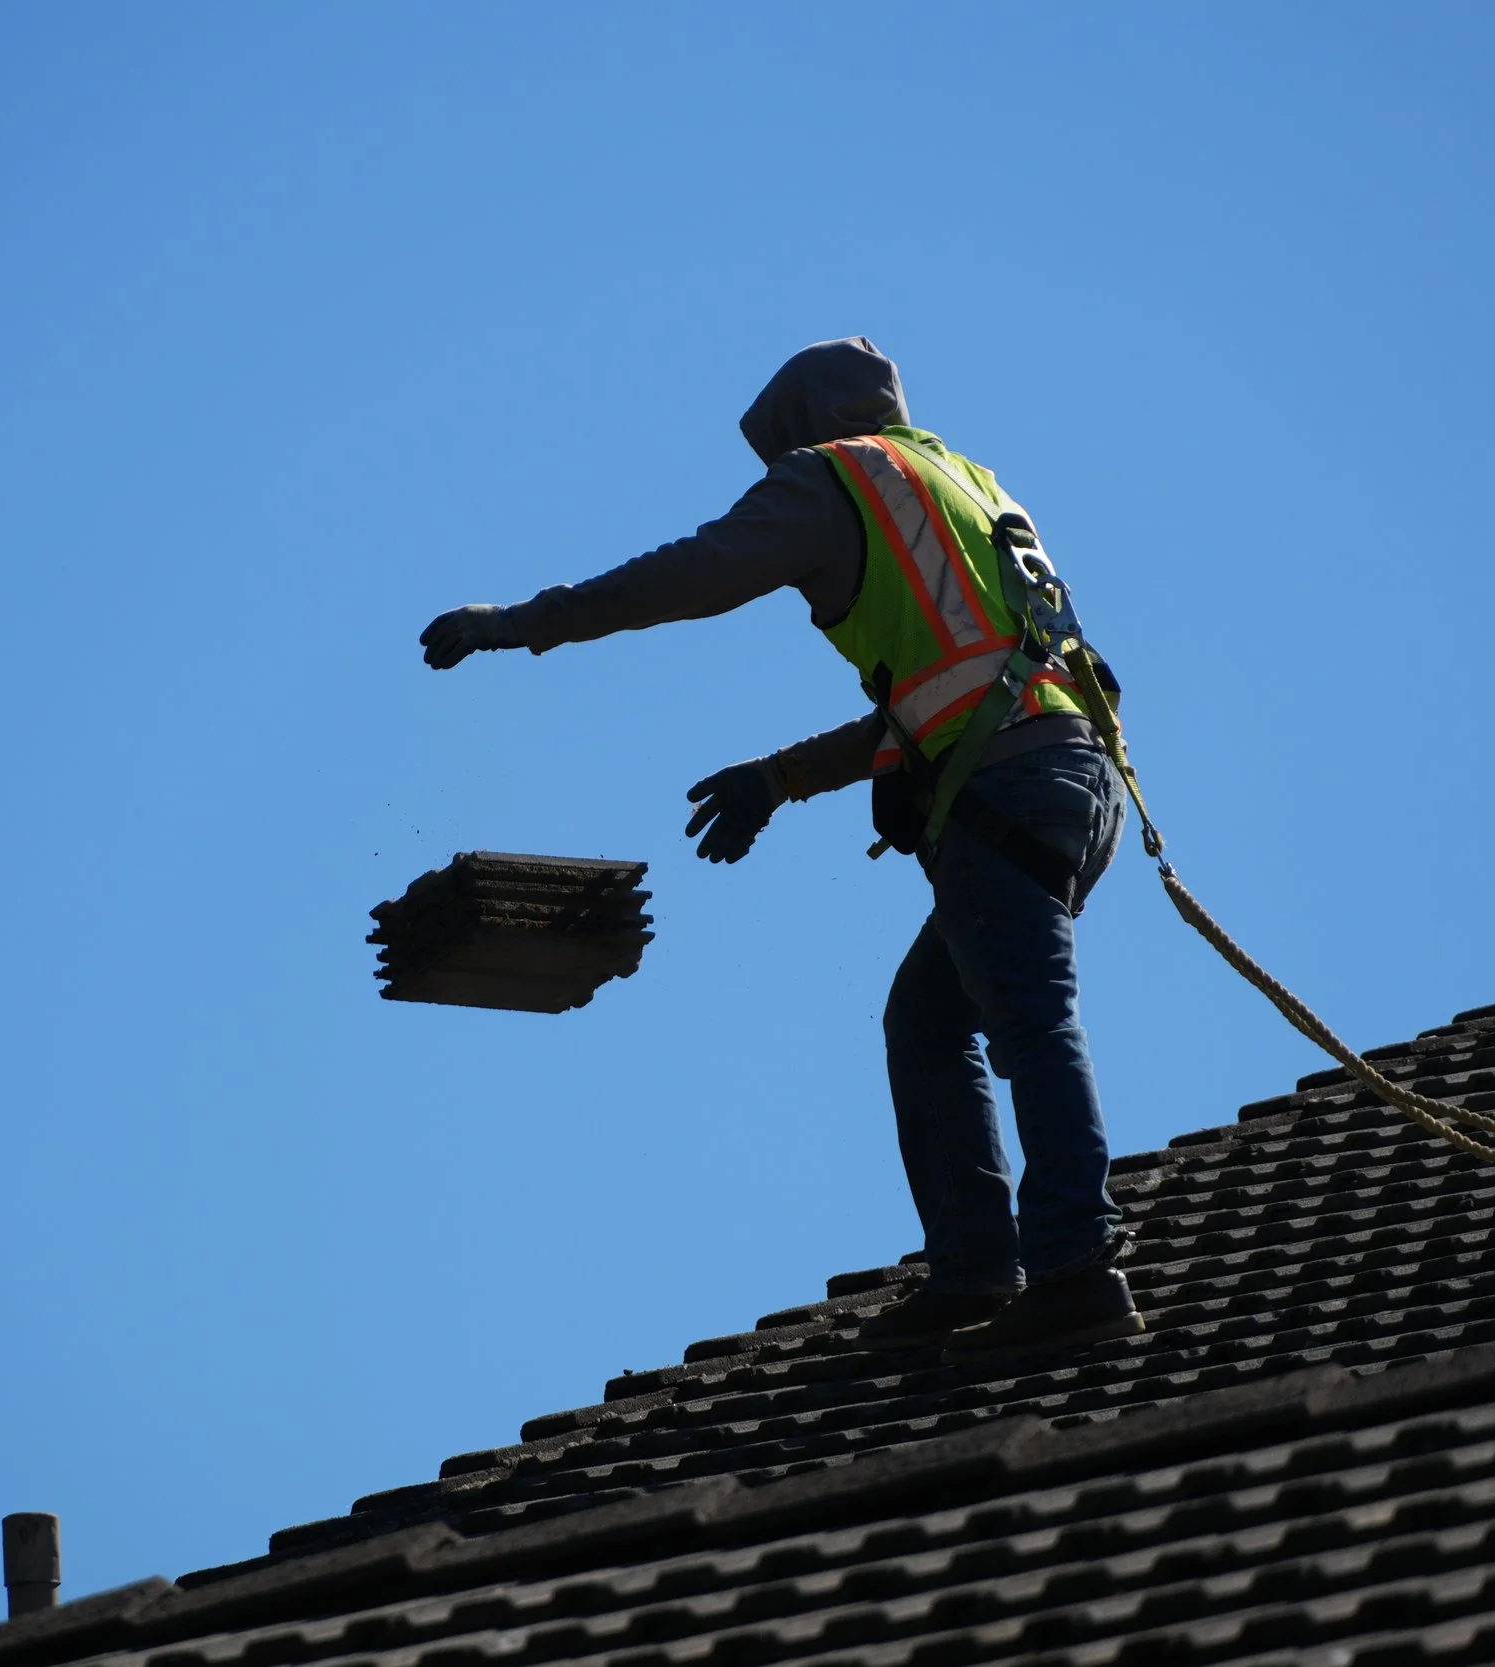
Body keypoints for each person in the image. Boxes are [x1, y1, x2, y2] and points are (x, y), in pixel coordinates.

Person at [419, 338, 1142, 1366]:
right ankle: (978, 1267)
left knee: (1029, 1019)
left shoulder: (831, 477)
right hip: (1075, 781)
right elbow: (962, 684)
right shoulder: (965, 482)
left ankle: (1075, 1268)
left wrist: (519, 623)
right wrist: (778, 777)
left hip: (1006, 787)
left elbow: (690, 575)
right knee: (931, 1021)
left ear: (800, 433)